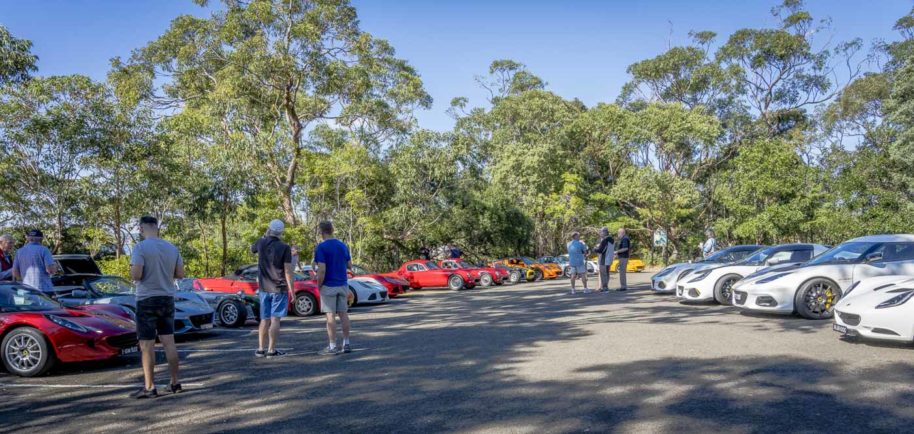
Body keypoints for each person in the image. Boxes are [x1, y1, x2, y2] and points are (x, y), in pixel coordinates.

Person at [129, 216, 185, 399]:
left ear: (142, 228)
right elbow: (180, 274)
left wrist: (133, 271)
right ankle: (175, 382)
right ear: (156, 227)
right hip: (167, 298)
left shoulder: (140, 248)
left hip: (146, 299)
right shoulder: (172, 247)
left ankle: (150, 386)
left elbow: (137, 274)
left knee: (147, 345)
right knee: (169, 341)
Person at [251, 220, 294, 359]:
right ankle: (271, 350)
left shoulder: (261, 242)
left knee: (264, 319)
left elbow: (253, 248)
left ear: (269, 229)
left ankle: (260, 349)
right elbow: (288, 270)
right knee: (275, 320)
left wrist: (264, 235)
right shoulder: (285, 247)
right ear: (281, 232)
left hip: (264, 287)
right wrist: (292, 290)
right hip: (279, 288)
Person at [314, 221, 352, 355]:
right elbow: (349, 265)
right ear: (332, 230)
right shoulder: (342, 245)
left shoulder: (321, 247)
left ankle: (332, 346)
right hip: (342, 284)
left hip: (328, 285)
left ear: (322, 232)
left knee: (330, 316)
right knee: (343, 314)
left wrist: (319, 284)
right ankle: (346, 343)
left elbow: (322, 269)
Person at [593, 227, 614, 293]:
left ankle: (605, 288)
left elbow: (601, 250)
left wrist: (594, 249)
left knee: (603, 274)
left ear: (605, 232)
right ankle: (605, 286)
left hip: (604, 259)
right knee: (607, 273)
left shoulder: (605, 240)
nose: (600, 233)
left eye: (601, 232)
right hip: (609, 259)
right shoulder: (612, 240)